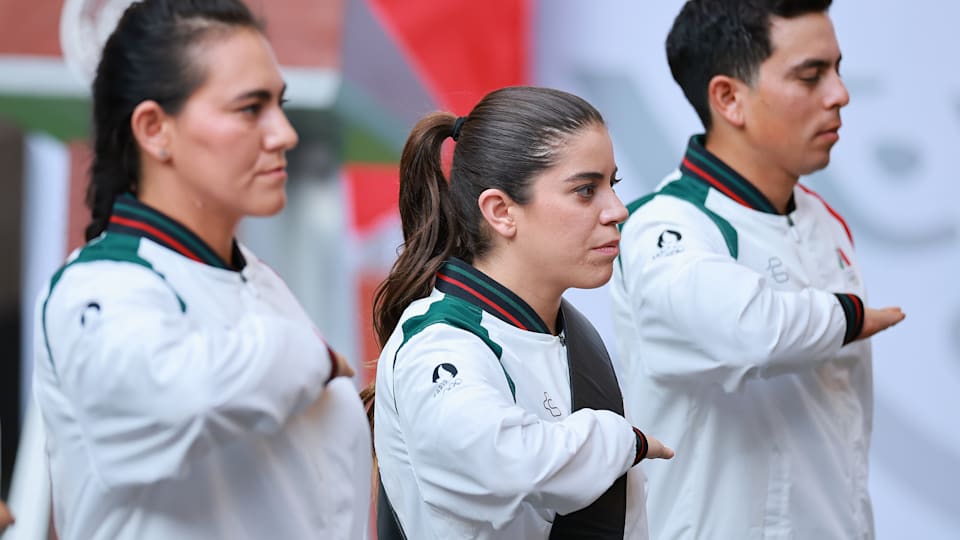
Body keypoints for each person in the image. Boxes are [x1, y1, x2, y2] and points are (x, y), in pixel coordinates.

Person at [31, 1, 370, 538]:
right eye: (249, 108)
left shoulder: (259, 281)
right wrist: (309, 355)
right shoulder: (99, 283)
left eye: (279, 104)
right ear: (154, 129)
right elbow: (170, 400)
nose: (283, 133)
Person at [611, 1, 906, 538]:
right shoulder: (663, 223)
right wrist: (852, 316)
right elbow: (748, 333)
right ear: (728, 98)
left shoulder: (823, 220)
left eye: (837, 70)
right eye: (811, 76)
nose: (840, 94)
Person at [369, 86, 674, 540]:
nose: (617, 210)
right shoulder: (439, 341)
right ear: (501, 211)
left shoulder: (568, 331)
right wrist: (622, 440)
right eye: (586, 190)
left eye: (614, 184)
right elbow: (498, 463)